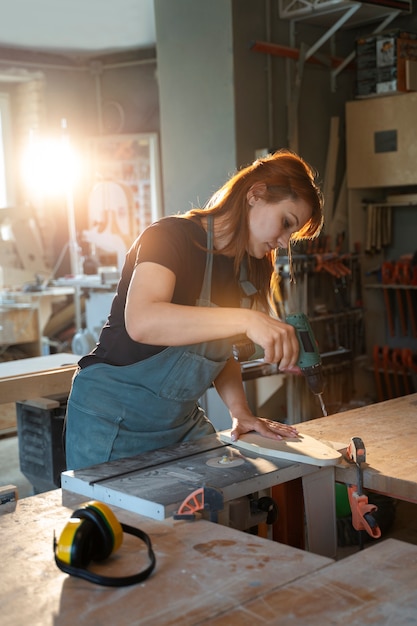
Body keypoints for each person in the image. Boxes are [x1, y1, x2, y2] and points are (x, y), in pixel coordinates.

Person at [65, 149, 324, 470]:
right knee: (117, 521)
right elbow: (143, 321)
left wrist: (240, 411)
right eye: (286, 223)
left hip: (178, 423)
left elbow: (216, 353)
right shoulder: (168, 236)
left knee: (233, 496)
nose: (284, 241)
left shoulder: (249, 270)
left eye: (292, 233)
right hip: (112, 419)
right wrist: (246, 319)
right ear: (255, 195)